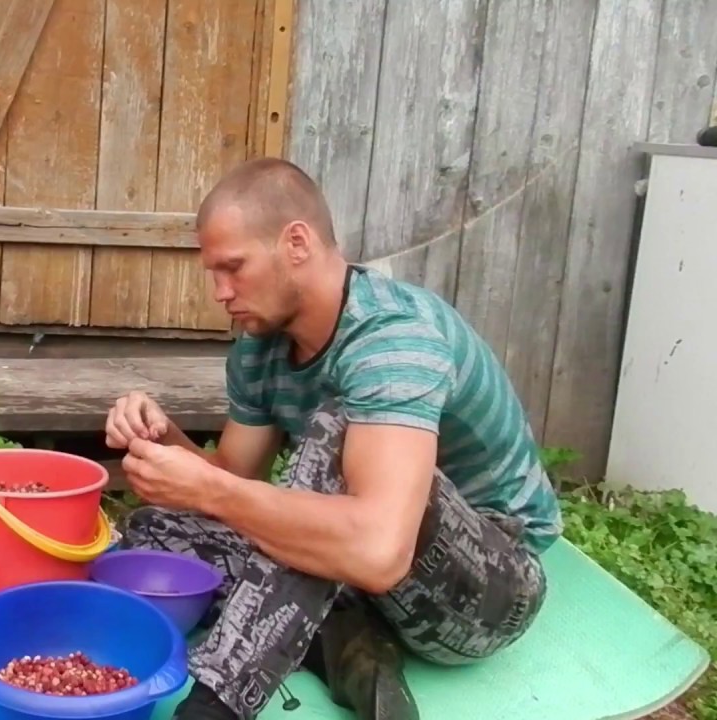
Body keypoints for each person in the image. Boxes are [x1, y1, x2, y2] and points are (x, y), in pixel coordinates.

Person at [106, 157, 561, 720]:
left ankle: (212, 708)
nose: (220, 293)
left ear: (296, 242)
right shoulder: (260, 348)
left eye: (233, 268)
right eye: (212, 274)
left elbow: (378, 548)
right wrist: (162, 439)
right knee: (152, 534)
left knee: (337, 428)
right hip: (367, 576)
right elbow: (233, 480)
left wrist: (208, 491)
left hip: (488, 588)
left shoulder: (394, 338)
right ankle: (345, 640)